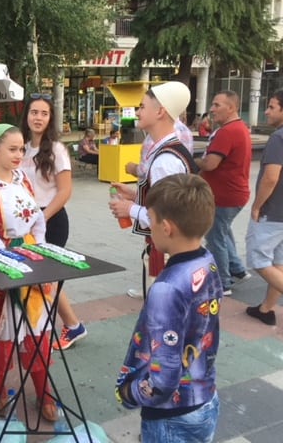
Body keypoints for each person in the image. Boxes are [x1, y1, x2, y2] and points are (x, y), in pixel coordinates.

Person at [115, 173, 221, 443]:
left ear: (167, 228)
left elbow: (164, 377)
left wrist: (130, 393)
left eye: (150, 220)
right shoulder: (207, 260)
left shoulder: (166, 288)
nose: (149, 227)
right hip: (204, 398)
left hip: (171, 413)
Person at [0, 120, 57, 422]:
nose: (19, 155)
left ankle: (43, 391)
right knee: (2, 334)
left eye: (21, 149)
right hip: (0, 264)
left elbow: (37, 218)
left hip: (30, 258)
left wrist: (39, 248)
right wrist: (8, 257)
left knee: (37, 329)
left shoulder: (22, 179)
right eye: (12, 149)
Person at [109, 82, 198, 299]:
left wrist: (129, 209)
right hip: (174, 248)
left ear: (160, 112)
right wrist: (135, 195)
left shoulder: (165, 160)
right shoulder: (169, 150)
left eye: (142, 107)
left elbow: (164, 218)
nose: (137, 112)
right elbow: (170, 201)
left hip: (168, 252)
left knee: (162, 310)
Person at [20, 93, 87, 351]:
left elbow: (65, 191)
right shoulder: (22, 146)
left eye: (44, 113)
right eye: (34, 112)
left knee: (46, 276)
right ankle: (49, 326)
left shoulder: (57, 149)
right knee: (36, 276)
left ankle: (69, 325)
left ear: (50, 118)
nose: (38, 118)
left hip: (52, 219)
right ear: (27, 115)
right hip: (26, 220)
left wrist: (42, 218)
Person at [245, 89, 283, 334]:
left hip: (273, 211)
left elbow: (270, 177)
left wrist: (257, 206)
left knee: (258, 259)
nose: (266, 112)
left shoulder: (280, 137)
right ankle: (266, 308)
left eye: (271, 107)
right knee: (279, 260)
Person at [195, 90, 252, 296]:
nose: (212, 109)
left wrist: (194, 161)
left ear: (231, 107)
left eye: (217, 105)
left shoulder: (227, 132)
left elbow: (210, 163)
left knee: (215, 238)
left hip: (223, 196)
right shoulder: (239, 128)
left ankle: (222, 282)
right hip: (234, 194)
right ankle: (237, 269)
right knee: (223, 232)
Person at [125, 115, 194, 180]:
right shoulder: (186, 131)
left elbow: (144, 171)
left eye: (143, 108)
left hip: (160, 186)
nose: (137, 113)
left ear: (160, 111)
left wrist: (132, 168)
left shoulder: (155, 136)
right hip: (181, 183)